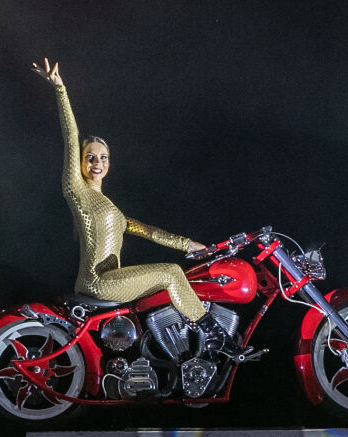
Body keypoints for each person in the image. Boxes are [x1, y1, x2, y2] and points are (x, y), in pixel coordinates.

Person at [31, 58, 242, 359]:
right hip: (98, 282)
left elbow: (146, 230)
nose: (97, 163)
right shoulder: (76, 191)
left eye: (103, 158)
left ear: (110, 163)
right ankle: (215, 337)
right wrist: (60, 90)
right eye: (90, 157)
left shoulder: (110, 209)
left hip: (109, 279)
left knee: (176, 273)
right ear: (80, 163)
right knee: (171, 273)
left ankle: (182, 347)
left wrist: (190, 246)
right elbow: (70, 136)